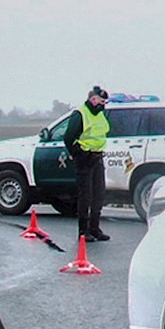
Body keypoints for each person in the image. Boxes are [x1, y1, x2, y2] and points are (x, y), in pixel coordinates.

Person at [62, 85, 111, 241]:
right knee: (86, 196)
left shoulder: (100, 114)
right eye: (101, 101)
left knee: (98, 194)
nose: (103, 105)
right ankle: (83, 231)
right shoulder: (80, 114)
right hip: (85, 158)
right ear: (93, 99)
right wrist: (77, 154)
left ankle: (95, 228)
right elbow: (68, 137)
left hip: (98, 157)